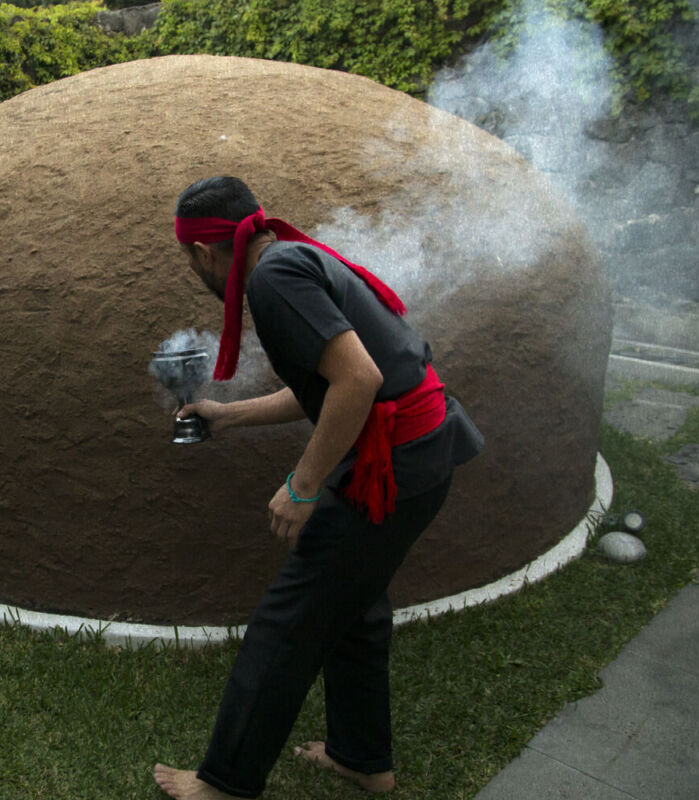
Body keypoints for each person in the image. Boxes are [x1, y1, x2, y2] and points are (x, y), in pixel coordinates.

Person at [153, 177, 483, 799]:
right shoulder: (289, 257)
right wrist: (230, 414)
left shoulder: (272, 280)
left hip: (395, 466)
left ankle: (224, 784)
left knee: (288, 621)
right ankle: (363, 758)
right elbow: (331, 385)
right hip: (421, 454)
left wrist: (302, 488)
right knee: (354, 607)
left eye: (187, 259)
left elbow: (358, 381)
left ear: (201, 253)